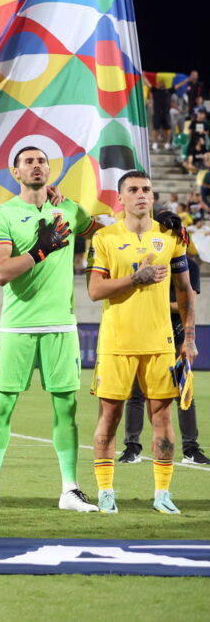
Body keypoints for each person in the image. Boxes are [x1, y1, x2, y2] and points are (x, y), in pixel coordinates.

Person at [0, 146, 100, 512]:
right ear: (15, 173)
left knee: (67, 407)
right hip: (18, 326)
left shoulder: (70, 210)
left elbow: (104, 235)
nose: (36, 166)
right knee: (2, 406)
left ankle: (70, 490)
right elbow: (0, 273)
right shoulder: (3, 215)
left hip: (62, 323)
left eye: (42, 161)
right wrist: (39, 252)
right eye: (28, 161)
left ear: (50, 169)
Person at [86, 171, 196, 514]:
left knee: (162, 418)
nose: (141, 195)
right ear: (120, 198)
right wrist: (136, 278)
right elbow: (94, 291)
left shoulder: (171, 236)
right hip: (116, 341)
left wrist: (188, 337)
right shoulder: (104, 238)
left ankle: (162, 494)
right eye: (133, 190)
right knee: (110, 416)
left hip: (160, 342)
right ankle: (106, 492)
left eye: (147, 189)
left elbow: (185, 290)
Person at [120, 250, 208, 465]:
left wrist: (157, 305)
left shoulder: (189, 265)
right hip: (143, 334)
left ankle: (191, 449)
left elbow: (188, 304)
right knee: (136, 394)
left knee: (184, 393)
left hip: (175, 336)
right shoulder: (146, 261)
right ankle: (132, 448)